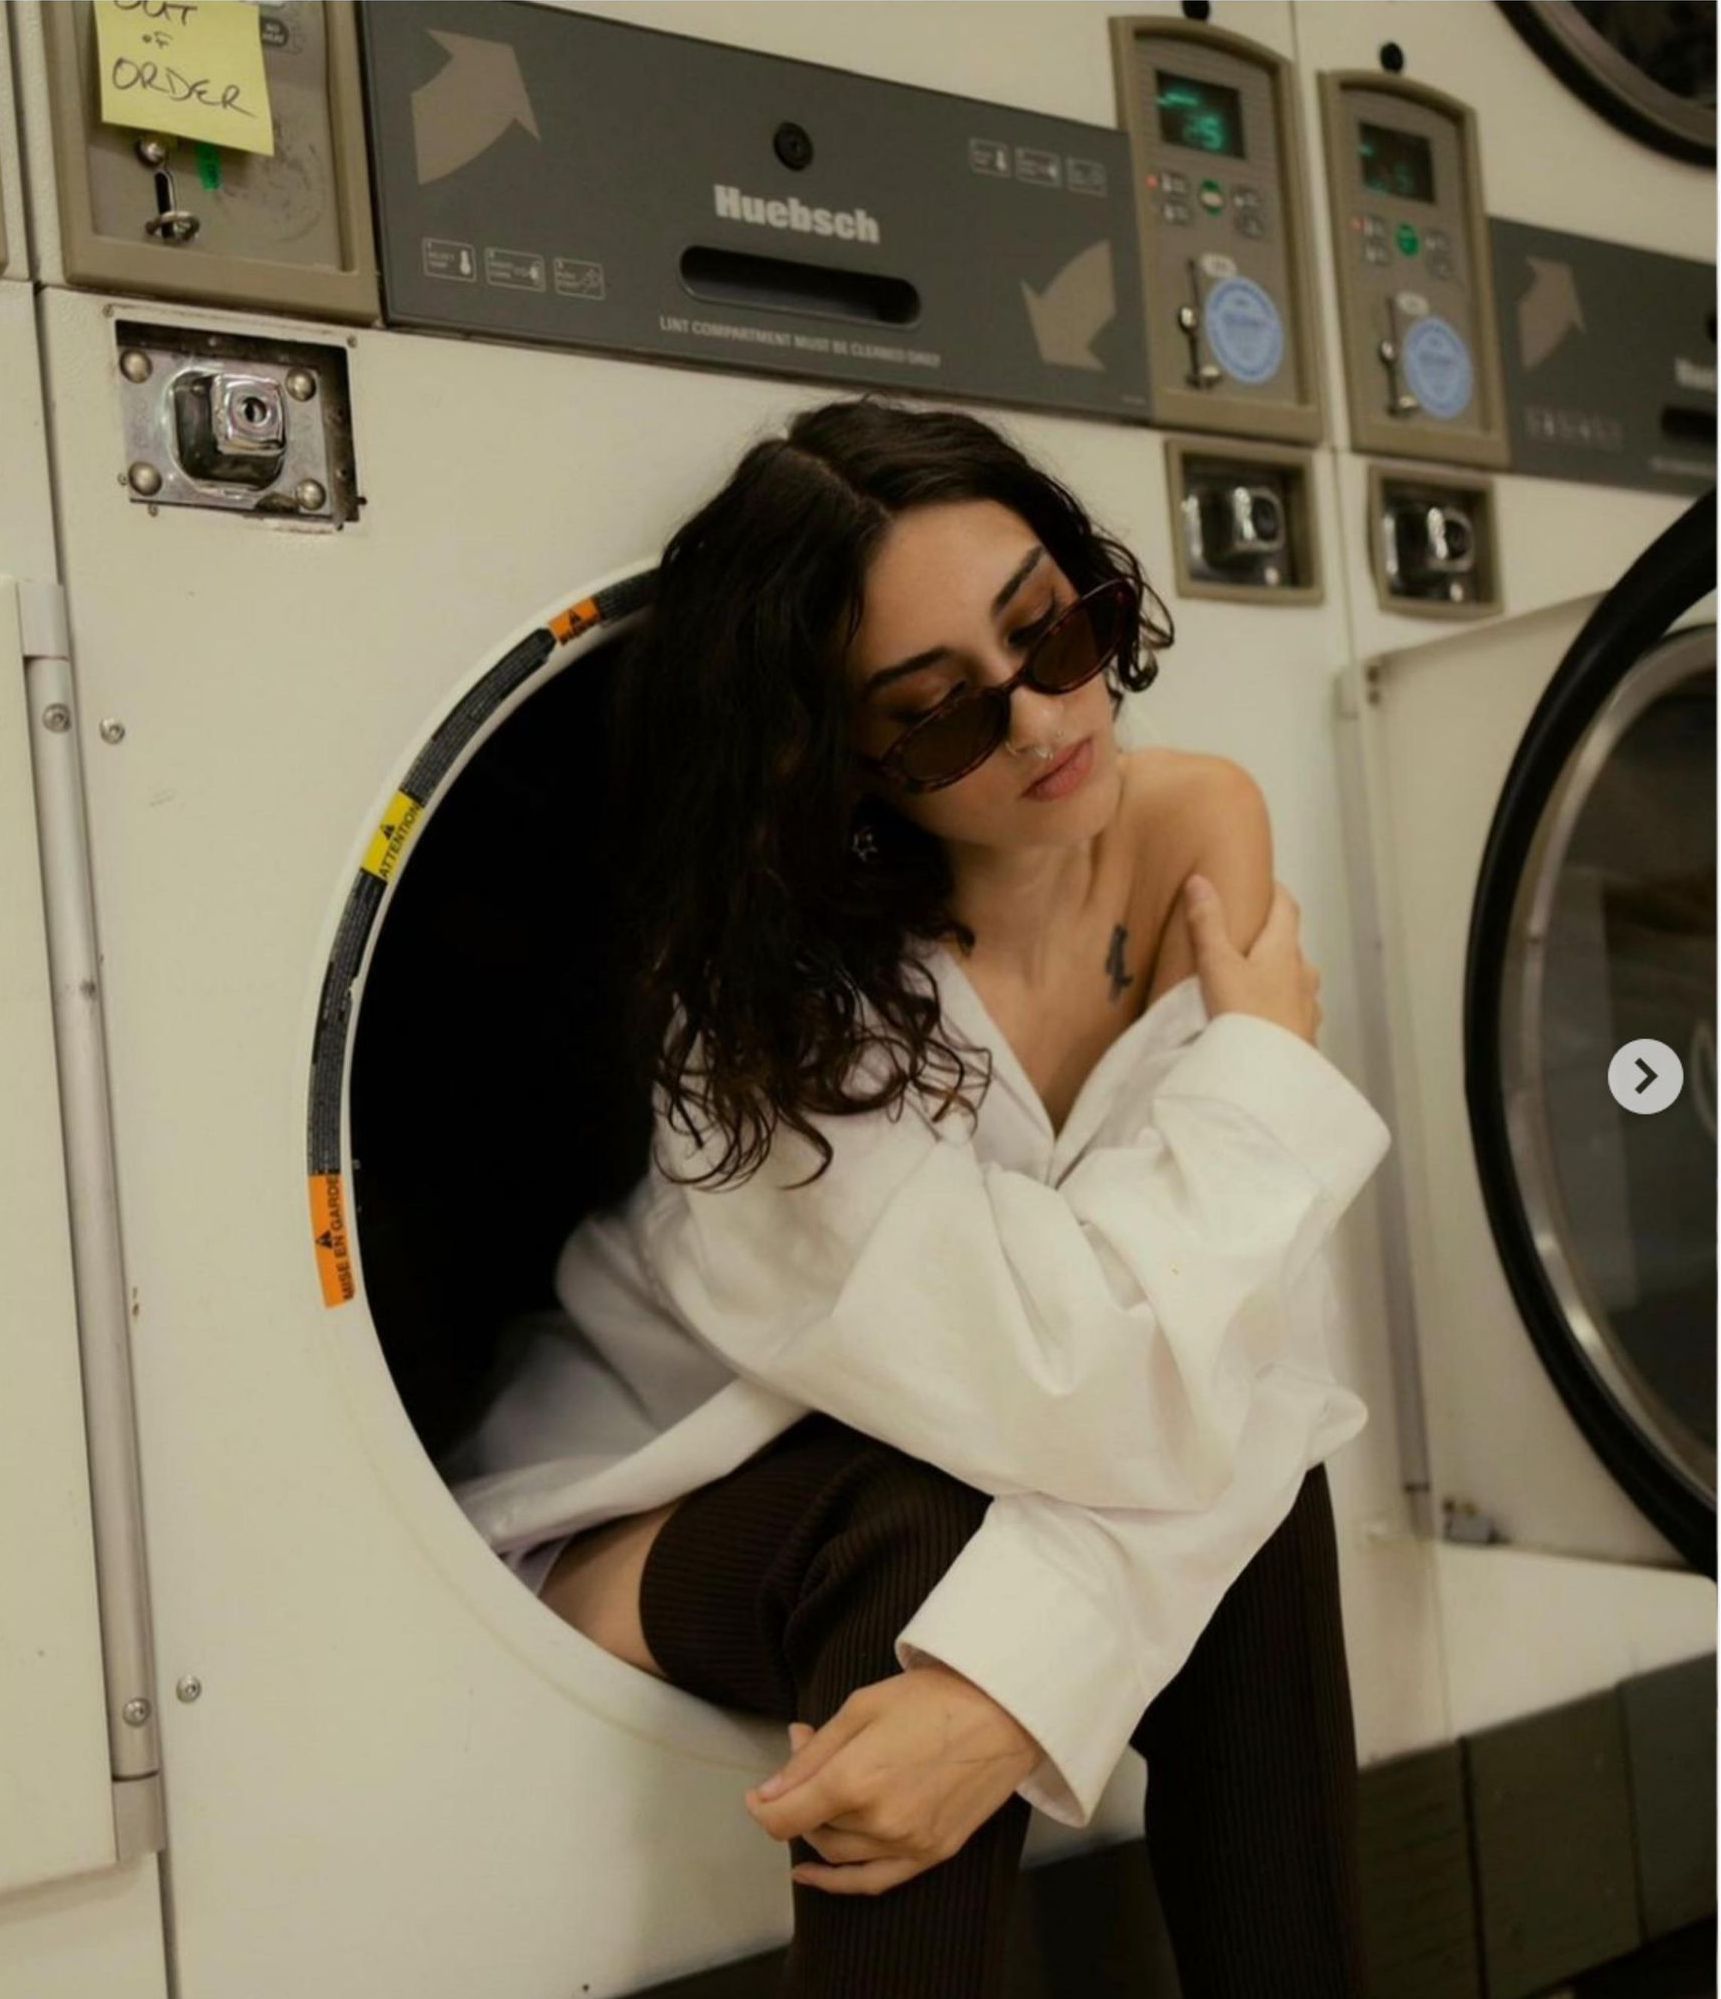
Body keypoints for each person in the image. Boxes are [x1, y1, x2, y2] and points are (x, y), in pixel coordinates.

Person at [445, 394, 1391, 1996]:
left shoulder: (1190, 828)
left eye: (1052, 628)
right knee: (924, 1529)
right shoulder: (767, 1005)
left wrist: (1007, 1693)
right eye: (939, 716)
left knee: (1257, 1463)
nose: (1038, 724)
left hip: (983, 1436)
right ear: (841, 760)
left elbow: (1225, 1345)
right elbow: (1077, 1377)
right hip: (651, 1505)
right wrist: (1261, 1069)